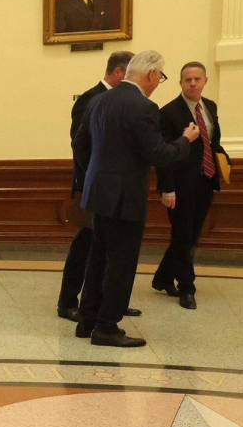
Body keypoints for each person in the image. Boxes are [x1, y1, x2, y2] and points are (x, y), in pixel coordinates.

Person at [75, 51, 198, 347]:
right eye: (161, 77)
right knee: (121, 263)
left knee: (98, 258)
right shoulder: (143, 106)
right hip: (124, 197)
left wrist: (95, 177)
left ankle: (87, 320)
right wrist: (186, 140)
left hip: (98, 193)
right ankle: (107, 327)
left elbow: (80, 144)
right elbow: (159, 154)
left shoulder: (99, 100)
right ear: (152, 74)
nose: (158, 83)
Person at [58, 51, 141, 322]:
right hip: (92, 188)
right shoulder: (90, 99)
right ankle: (67, 302)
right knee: (85, 246)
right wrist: (90, 184)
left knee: (108, 248)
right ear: (118, 72)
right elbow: (81, 146)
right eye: (131, 75)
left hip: (113, 190)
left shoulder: (118, 101)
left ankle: (108, 302)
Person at [152, 62, 230, 310]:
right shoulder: (168, 113)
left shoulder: (210, 107)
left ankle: (163, 277)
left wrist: (225, 160)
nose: (193, 83)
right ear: (181, 83)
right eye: (188, 80)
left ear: (205, 81)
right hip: (180, 185)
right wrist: (167, 188)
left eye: (197, 79)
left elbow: (213, 142)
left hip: (206, 180)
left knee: (190, 235)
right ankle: (187, 287)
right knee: (183, 235)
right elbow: (163, 155)